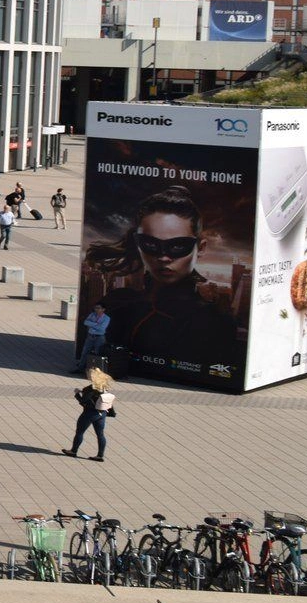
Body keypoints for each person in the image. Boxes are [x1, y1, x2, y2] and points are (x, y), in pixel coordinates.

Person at [82, 185, 241, 370]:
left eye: (178, 246)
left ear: (201, 248)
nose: (164, 257)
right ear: (138, 244)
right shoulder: (115, 304)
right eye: (151, 244)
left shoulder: (214, 322)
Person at [60, 368, 115, 462]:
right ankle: (100, 456)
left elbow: (83, 401)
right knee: (100, 434)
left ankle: (73, 451)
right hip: (102, 413)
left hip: (90, 413)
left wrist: (77, 393)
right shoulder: (104, 386)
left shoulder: (90, 388)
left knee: (80, 432)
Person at [78, 303, 110, 371]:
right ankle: (80, 368)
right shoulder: (92, 315)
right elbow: (85, 322)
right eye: (96, 308)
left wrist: (92, 325)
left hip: (99, 337)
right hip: (90, 336)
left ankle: (96, 370)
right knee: (85, 352)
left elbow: (102, 328)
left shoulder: (106, 318)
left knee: (98, 353)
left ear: (103, 309)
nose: (96, 310)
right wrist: (96, 324)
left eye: (98, 308)